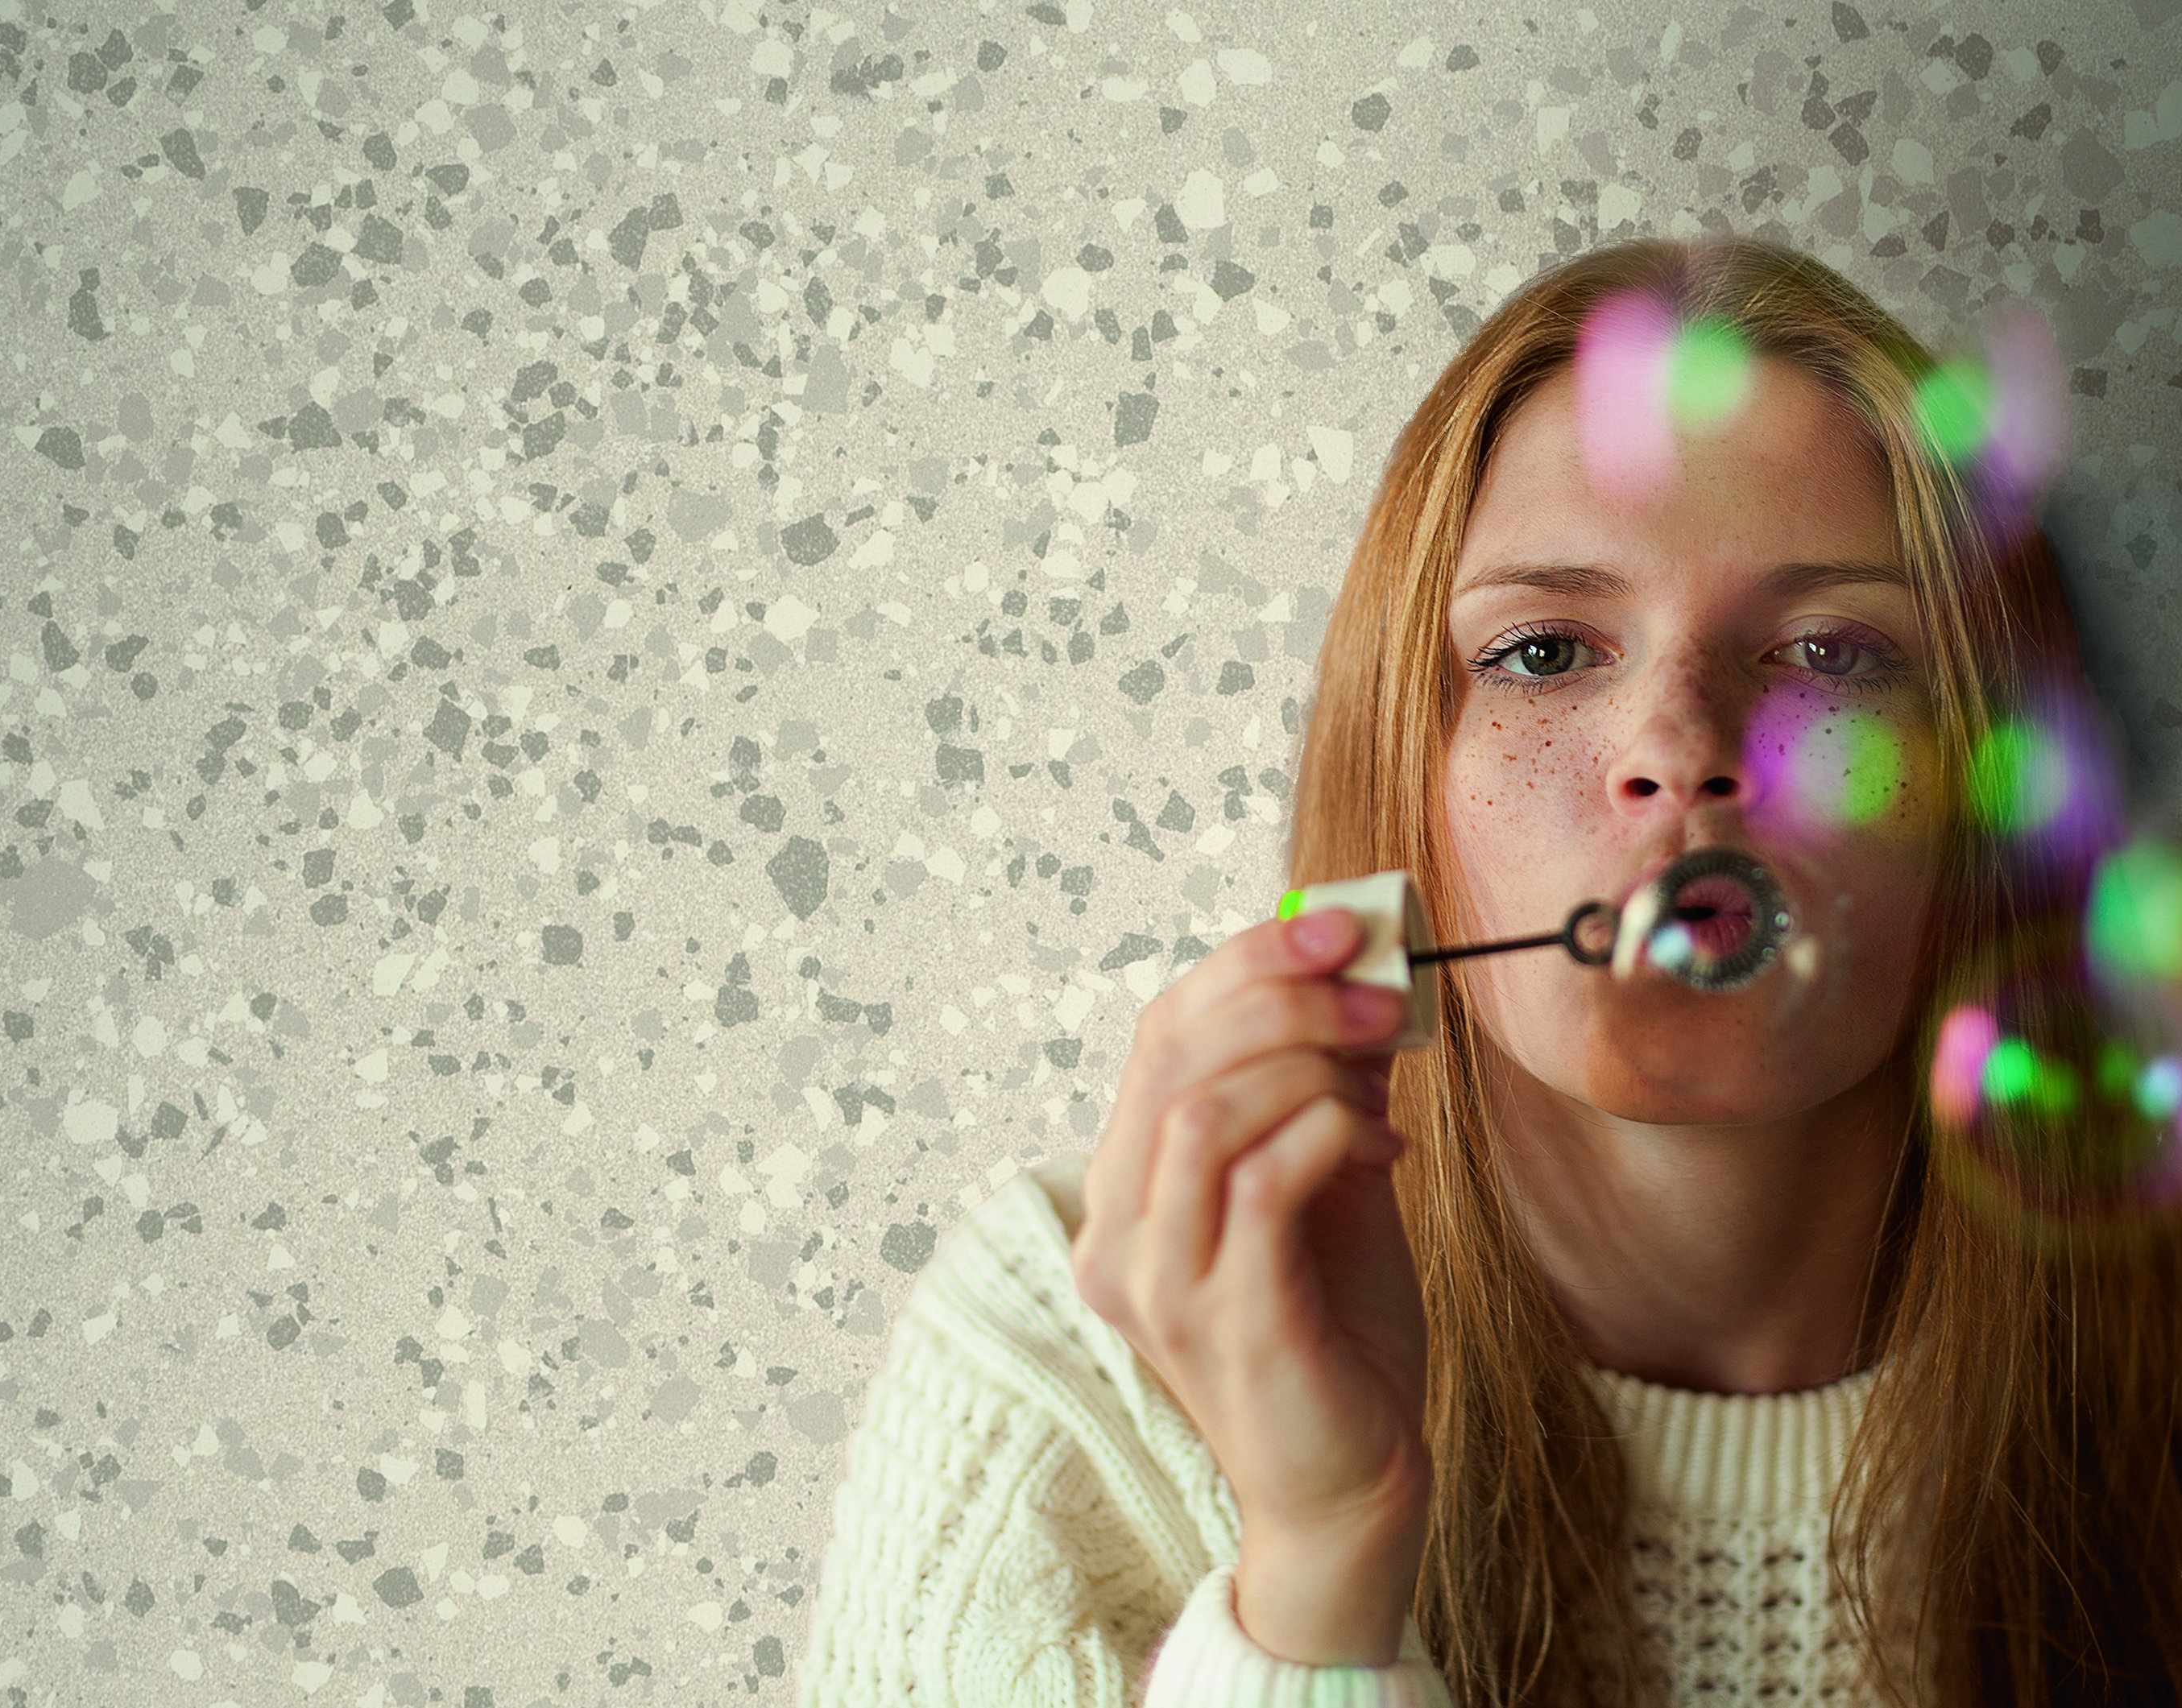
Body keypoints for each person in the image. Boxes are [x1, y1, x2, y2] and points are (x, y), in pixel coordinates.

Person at [793, 237, 2182, 1706]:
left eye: (1833, 653)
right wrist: (1321, 1568)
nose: (1680, 746)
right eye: (1541, 652)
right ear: (1409, 771)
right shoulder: (1079, 1371)